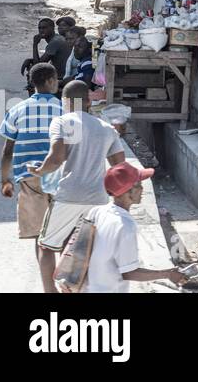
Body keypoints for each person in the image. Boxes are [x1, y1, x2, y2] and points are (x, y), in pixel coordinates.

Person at [29, 80, 127, 260]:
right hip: (98, 198)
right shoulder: (107, 129)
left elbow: (56, 159)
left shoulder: (61, 122)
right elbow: (120, 166)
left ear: (65, 102)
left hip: (69, 194)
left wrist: (39, 171)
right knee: (84, 247)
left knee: (46, 246)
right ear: (88, 101)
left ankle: (51, 289)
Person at [0, 63, 63, 293]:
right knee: (64, 233)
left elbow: (7, 150)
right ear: (52, 82)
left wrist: (5, 180)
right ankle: (68, 283)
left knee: (42, 238)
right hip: (59, 176)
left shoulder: (17, 109)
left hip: (29, 178)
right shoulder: (64, 108)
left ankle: (49, 290)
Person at [86, 163, 188, 293]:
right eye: (138, 185)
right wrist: (168, 274)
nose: (142, 188)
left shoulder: (98, 211)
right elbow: (129, 273)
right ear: (127, 192)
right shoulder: (125, 225)